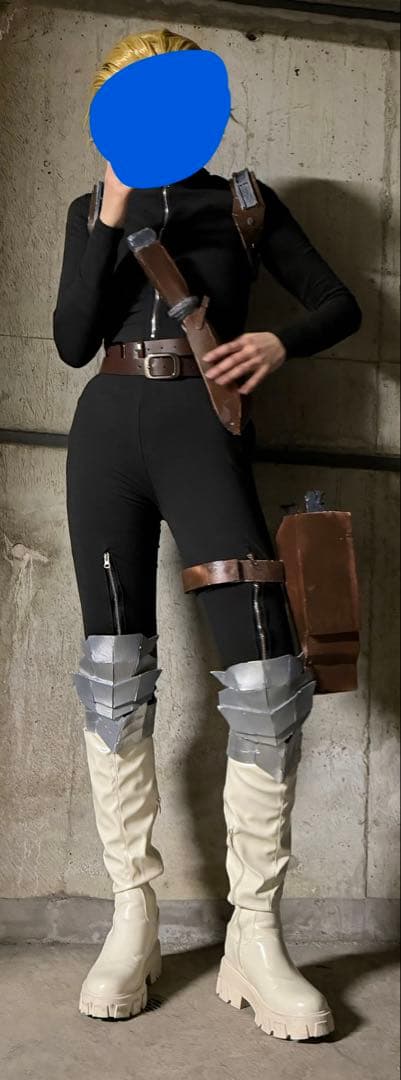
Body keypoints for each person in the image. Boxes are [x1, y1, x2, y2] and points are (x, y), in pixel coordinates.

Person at [53, 27, 362, 1037]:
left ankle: (254, 937)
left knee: (267, 680)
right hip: (105, 437)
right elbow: (70, 339)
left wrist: (275, 341)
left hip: (205, 433)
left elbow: (339, 305)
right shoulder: (91, 209)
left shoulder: (243, 202)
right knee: (112, 673)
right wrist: (109, 208)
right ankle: (132, 917)